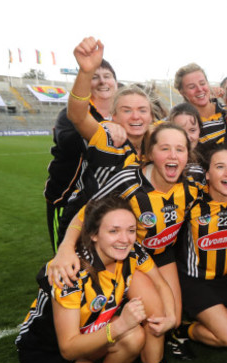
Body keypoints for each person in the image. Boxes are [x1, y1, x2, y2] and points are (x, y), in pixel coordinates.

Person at [49, 123, 196, 363]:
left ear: (188, 155)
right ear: (148, 154)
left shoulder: (194, 180)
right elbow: (87, 212)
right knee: (153, 312)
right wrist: (65, 248)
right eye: (164, 147)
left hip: (155, 254)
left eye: (179, 149)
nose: (172, 155)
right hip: (125, 252)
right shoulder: (129, 179)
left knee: (173, 320)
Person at [7, 195, 172, 363]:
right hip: (47, 351)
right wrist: (121, 325)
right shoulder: (72, 272)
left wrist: (171, 318)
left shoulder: (131, 252)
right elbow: (68, 349)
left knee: (134, 337)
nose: (124, 239)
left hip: (89, 336)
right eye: (113, 231)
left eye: (129, 230)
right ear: (93, 234)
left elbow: (159, 282)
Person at [59, 37, 151, 245]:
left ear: (151, 117)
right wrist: (85, 71)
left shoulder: (155, 145)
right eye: (127, 111)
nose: (136, 116)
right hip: (86, 226)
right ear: (114, 116)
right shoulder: (107, 138)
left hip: (121, 230)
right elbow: (77, 115)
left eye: (142, 110)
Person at [174, 146, 227, 349]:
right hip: (195, 280)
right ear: (207, 174)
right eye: (220, 167)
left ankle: (194, 323)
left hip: (224, 280)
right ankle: (182, 330)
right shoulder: (192, 202)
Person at [44, 58, 117, 253]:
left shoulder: (123, 114)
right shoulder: (70, 115)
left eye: (107, 76)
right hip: (68, 199)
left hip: (111, 199)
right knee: (71, 255)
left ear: (116, 83)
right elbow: (69, 143)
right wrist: (104, 130)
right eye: (95, 77)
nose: (102, 81)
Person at [174, 63, 226, 147]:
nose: (199, 89)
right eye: (192, 87)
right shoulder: (177, 122)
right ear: (182, 92)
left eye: (202, 83)